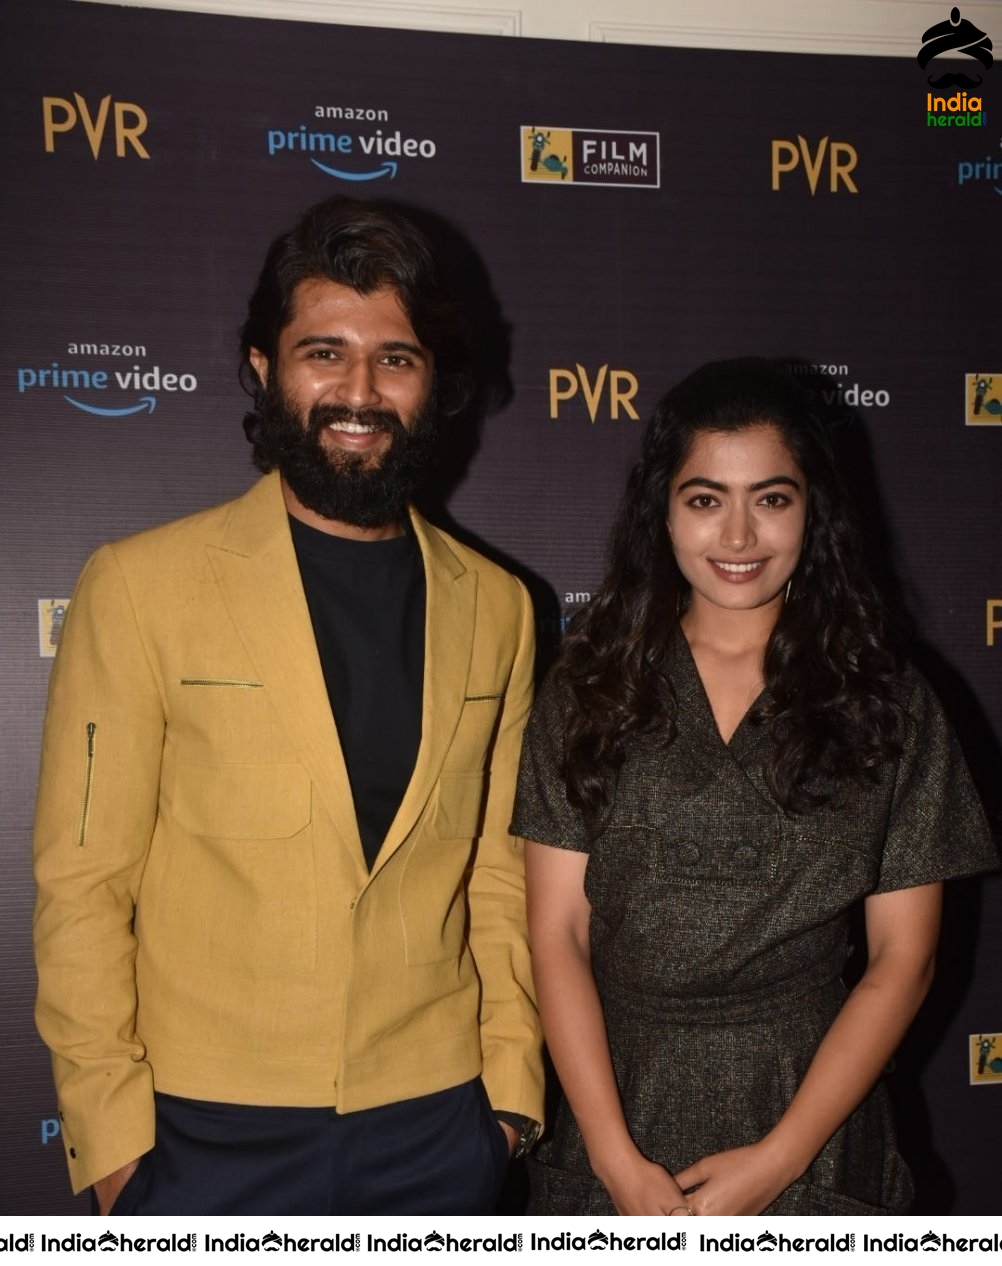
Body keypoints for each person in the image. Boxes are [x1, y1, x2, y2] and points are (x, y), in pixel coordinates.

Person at [32, 196, 543, 1215]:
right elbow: (84, 883)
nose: (360, 390)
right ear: (264, 369)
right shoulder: (140, 584)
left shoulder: (499, 605)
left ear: (434, 382)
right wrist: (118, 1151)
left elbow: (497, 871)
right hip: (203, 1135)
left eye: (395, 357)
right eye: (323, 351)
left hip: (438, 1126)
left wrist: (509, 1097)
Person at [512, 358, 997, 1216]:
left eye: (772, 498)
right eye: (705, 499)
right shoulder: (588, 687)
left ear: (815, 511)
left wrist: (778, 1161)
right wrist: (617, 1163)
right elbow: (556, 935)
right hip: (616, 1111)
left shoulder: (888, 700)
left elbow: (903, 959)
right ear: (661, 511)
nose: (738, 537)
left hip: (812, 1117)